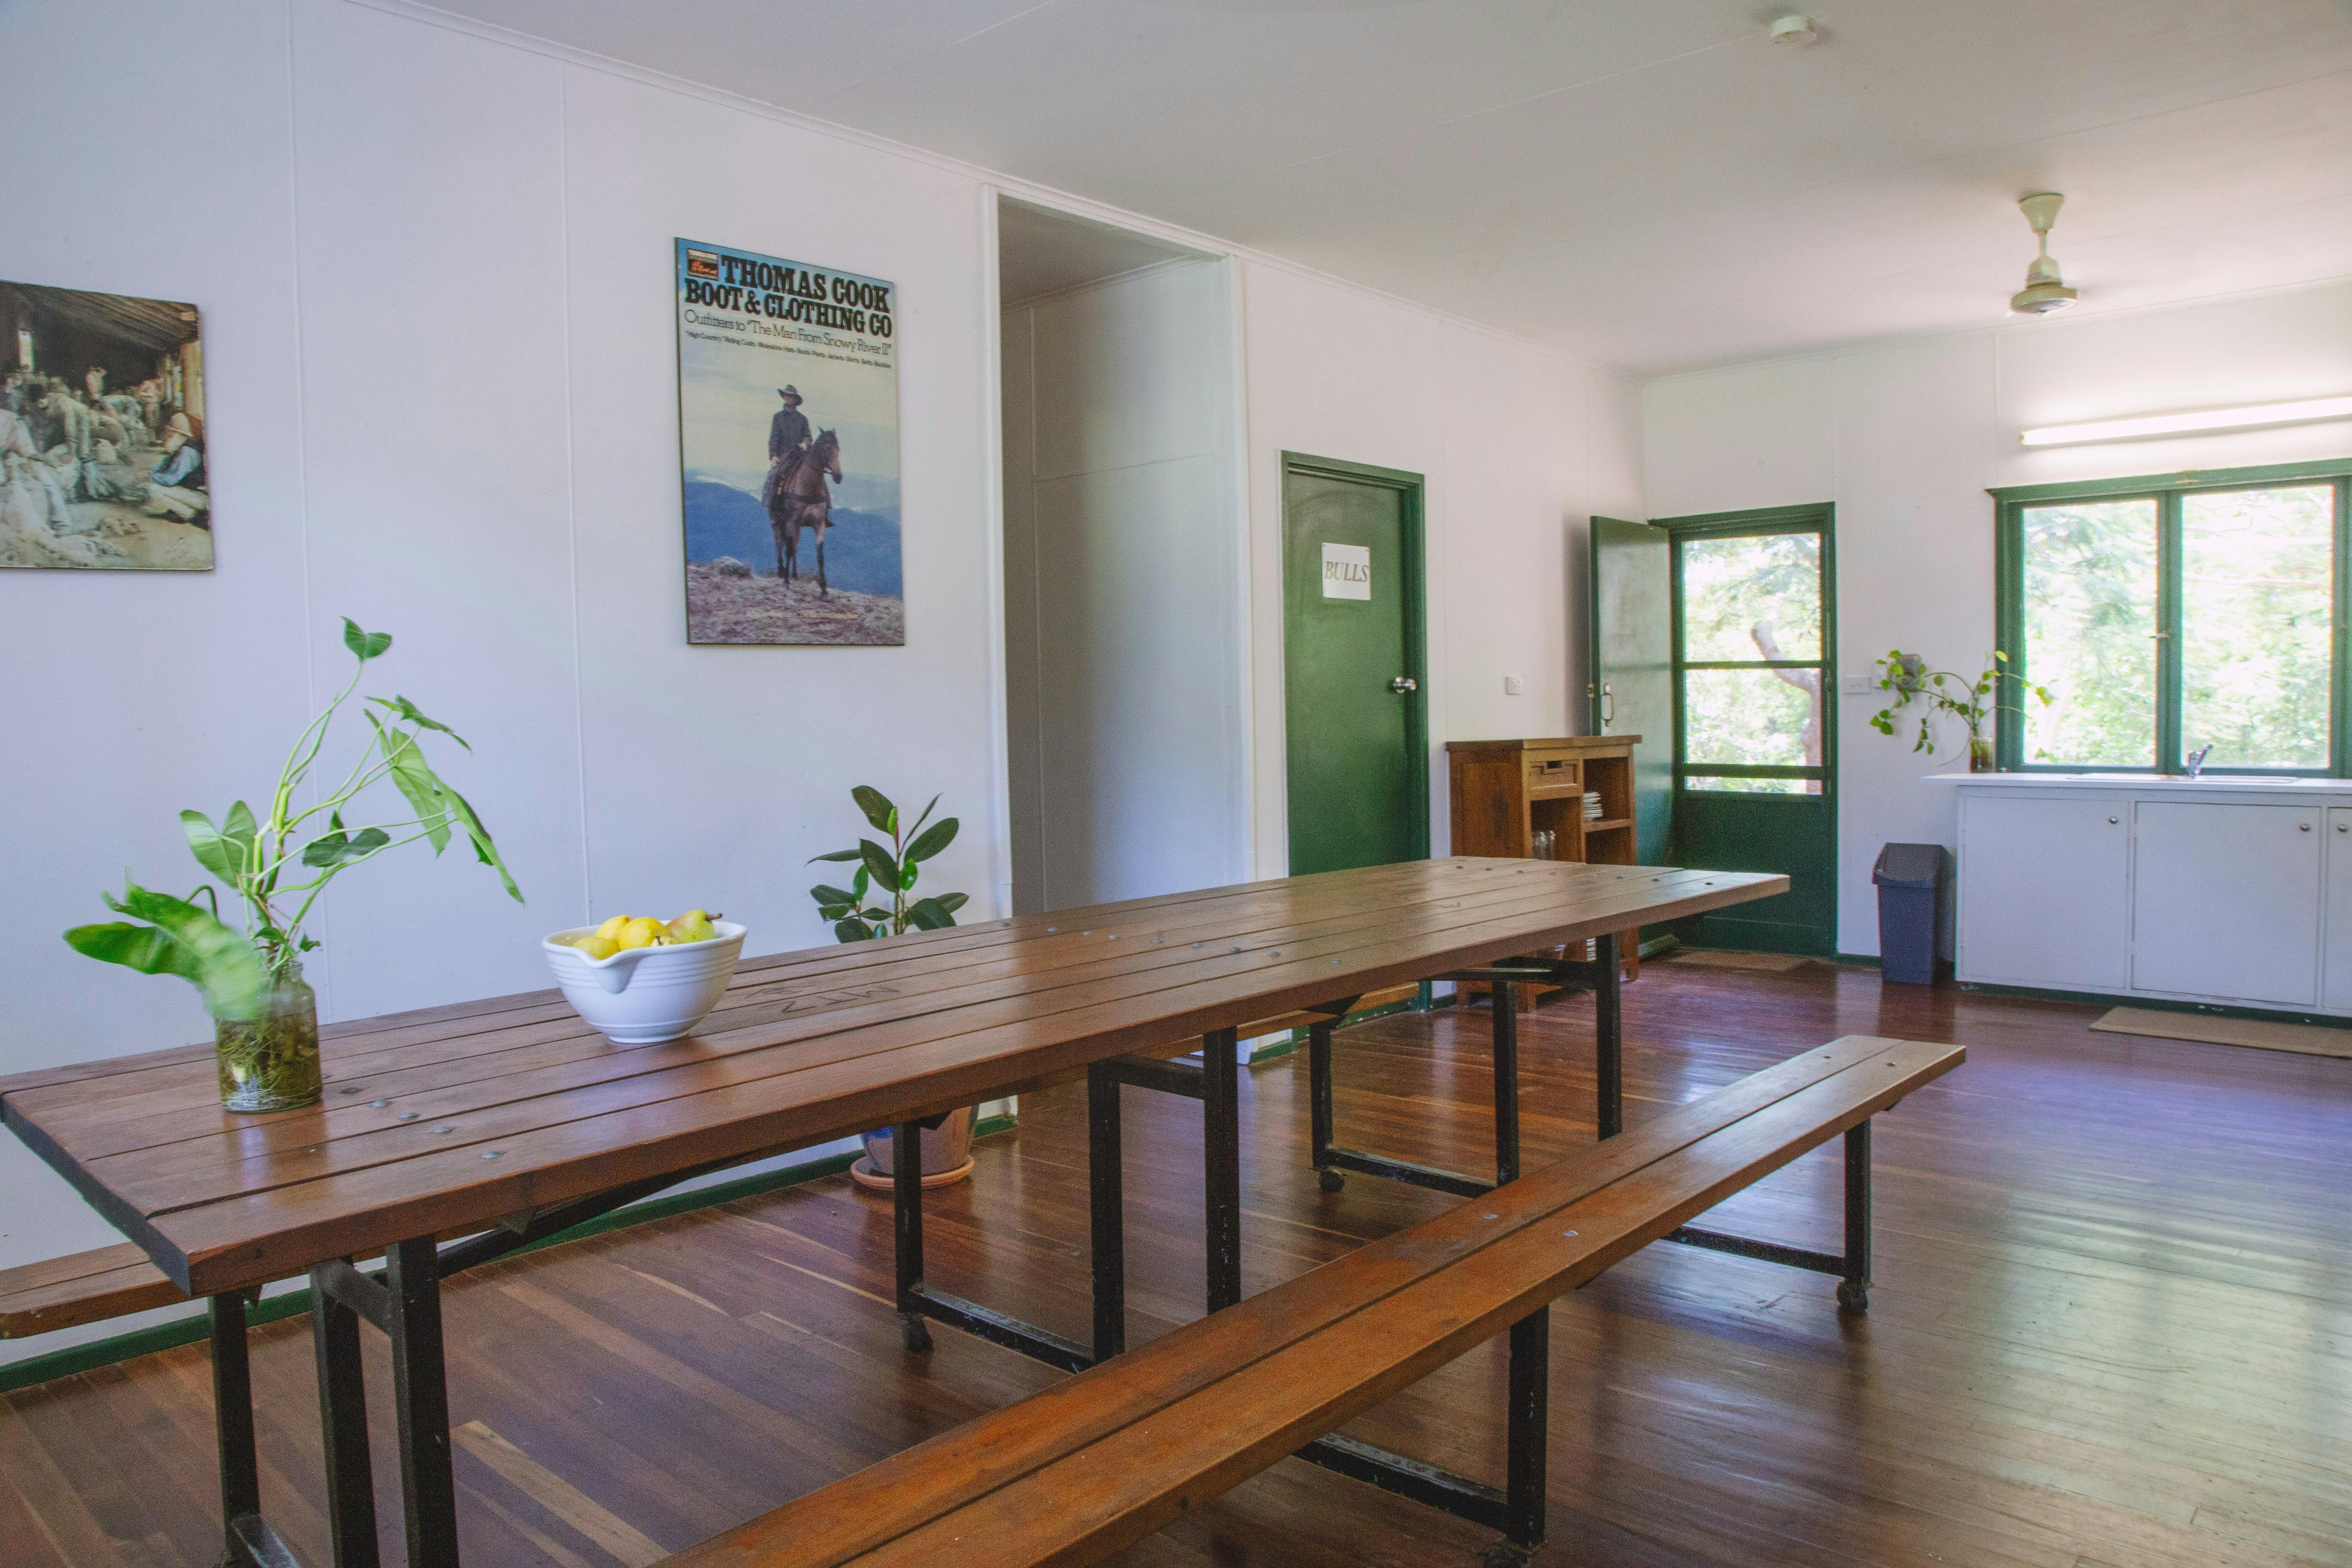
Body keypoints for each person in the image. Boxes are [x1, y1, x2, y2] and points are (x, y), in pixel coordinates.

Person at [143, 410, 207, 524]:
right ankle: (185, 512)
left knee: (152, 489)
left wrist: (150, 476)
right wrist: (151, 472)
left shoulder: (187, 452)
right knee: (154, 484)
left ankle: (189, 514)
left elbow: (171, 480)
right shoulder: (180, 448)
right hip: (193, 494)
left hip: (202, 498)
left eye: (170, 434)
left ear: (179, 435)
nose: (167, 436)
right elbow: (163, 467)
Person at [42, 385, 93, 461]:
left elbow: (70, 430)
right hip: (60, 419)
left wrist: (70, 454)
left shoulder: (63, 405)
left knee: (82, 453)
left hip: (81, 418)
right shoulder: (46, 398)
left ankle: (83, 461)